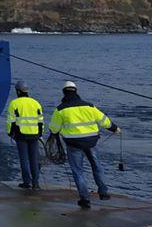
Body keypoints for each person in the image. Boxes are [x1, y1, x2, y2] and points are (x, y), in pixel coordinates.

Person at [49, 81, 120, 209]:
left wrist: (56, 133)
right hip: (91, 142)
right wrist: (114, 128)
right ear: (76, 91)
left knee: (78, 171)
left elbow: (54, 129)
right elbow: (104, 121)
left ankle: (85, 199)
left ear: (64, 92)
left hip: (74, 144)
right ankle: (103, 193)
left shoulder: (60, 109)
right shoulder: (89, 106)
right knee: (97, 167)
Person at [6, 81, 43, 190]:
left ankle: (27, 182)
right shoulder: (36, 103)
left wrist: (10, 133)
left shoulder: (14, 103)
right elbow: (40, 121)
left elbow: (11, 121)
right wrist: (40, 134)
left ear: (18, 91)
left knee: (24, 159)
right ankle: (36, 183)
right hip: (35, 135)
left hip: (21, 135)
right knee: (34, 159)